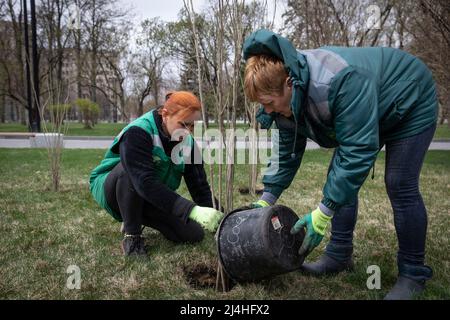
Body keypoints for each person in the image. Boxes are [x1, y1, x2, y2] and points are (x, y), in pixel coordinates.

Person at [243, 29, 438, 300]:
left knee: (399, 183)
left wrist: (322, 214)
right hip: (368, 107)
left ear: (289, 83)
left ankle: (413, 273)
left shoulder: (338, 81)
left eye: (268, 103)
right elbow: (285, 153)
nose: (267, 112)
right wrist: (265, 199)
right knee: (340, 177)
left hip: (408, 97)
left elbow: (358, 150)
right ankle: (338, 256)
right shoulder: (285, 102)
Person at [89, 91, 223, 257]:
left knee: (193, 234)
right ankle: (132, 236)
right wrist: (191, 210)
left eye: (193, 126)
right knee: (131, 173)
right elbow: (144, 182)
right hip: (115, 188)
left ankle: (135, 215)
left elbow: (200, 187)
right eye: (183, 124)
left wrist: (222, 219)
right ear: (165, 115)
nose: (188, 132)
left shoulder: (187, 142)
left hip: (151, 196)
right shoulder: (138, 131)